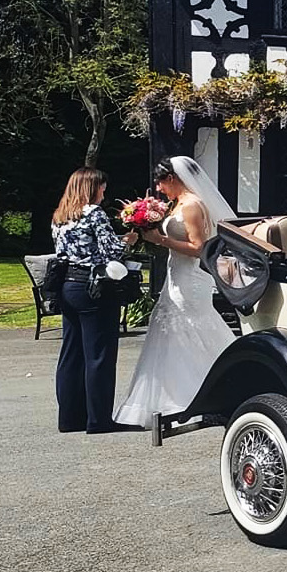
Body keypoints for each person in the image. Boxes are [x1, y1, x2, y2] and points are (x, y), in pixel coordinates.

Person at [114, 158, 241, 429]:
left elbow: (199, 248)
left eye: (161, 182)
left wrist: (160, 240)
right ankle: (170, 397)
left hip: (191, 278)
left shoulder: (193, 206)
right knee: (170, 334)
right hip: (176, 275)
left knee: (195, 332)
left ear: (172, 178)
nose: (159, 189)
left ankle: (212, 391)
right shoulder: (177, 204)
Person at [51, 168, 137, 433]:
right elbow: (111, 250)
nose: (104, 192)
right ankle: (99, 419)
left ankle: (68, 418)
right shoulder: (94, 214)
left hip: (68, 285)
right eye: (101, 187)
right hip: (94, 287)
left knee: (71, 353)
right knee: (99, 355)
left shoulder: (60, 216)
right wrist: (131, 238)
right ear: (91, 188)